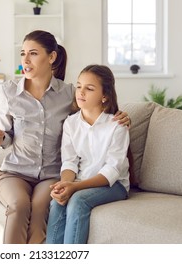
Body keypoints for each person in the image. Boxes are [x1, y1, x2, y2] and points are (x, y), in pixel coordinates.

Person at [0, 30, 130, 244]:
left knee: (44, 206)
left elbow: (95, 108)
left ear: (51, 57)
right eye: (23, 53)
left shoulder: (69, 93)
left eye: (33, 53)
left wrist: (123, 116)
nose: (25, 60)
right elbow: (7, 134)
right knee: (19, 205)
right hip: (15, 171)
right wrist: (0, 138)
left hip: (50, 173)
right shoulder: (8, 91)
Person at [46, 64, 130, 244]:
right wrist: (65, 184)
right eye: (79, 86)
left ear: (104, 96)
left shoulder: (117, 125)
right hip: (80, 180)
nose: (81, 92)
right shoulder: (70, 123)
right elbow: (69, 162)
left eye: (89, 88)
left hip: (114, 185)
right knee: (57, 202)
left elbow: (112, 171)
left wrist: (75, 187)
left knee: (77, 201)